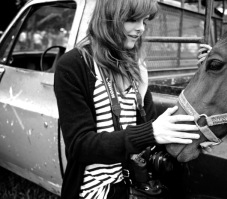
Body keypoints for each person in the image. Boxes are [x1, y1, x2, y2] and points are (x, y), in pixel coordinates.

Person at [54, 0, 201, 198]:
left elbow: (149, 136)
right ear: (108, 18)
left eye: (145, 21)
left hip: (134, 186)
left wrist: (189, 134)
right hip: (94, 191)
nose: (140, 28)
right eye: (132, 19)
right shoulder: (73, 65)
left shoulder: (133, 66)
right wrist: (150, 131)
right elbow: (79, 146)